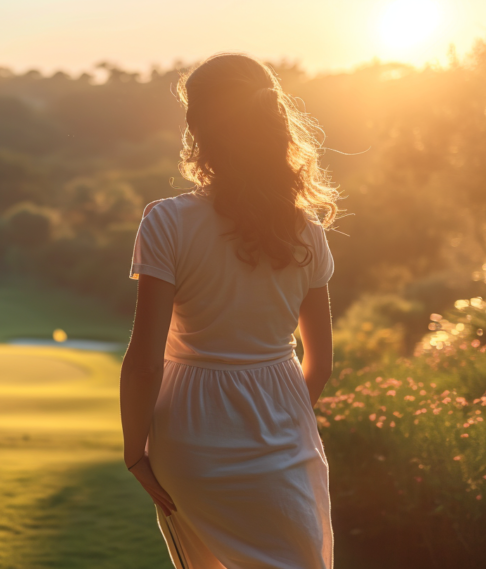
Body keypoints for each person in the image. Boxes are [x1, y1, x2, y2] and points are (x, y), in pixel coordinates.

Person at [120, 53, 339, 569]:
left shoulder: (166, 222)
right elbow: (321, 362)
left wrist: (135, 452)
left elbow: (146, 361)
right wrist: (276, 412)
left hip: (190, 429)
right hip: (283, 413)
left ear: (197, 128)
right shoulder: (308, 230)